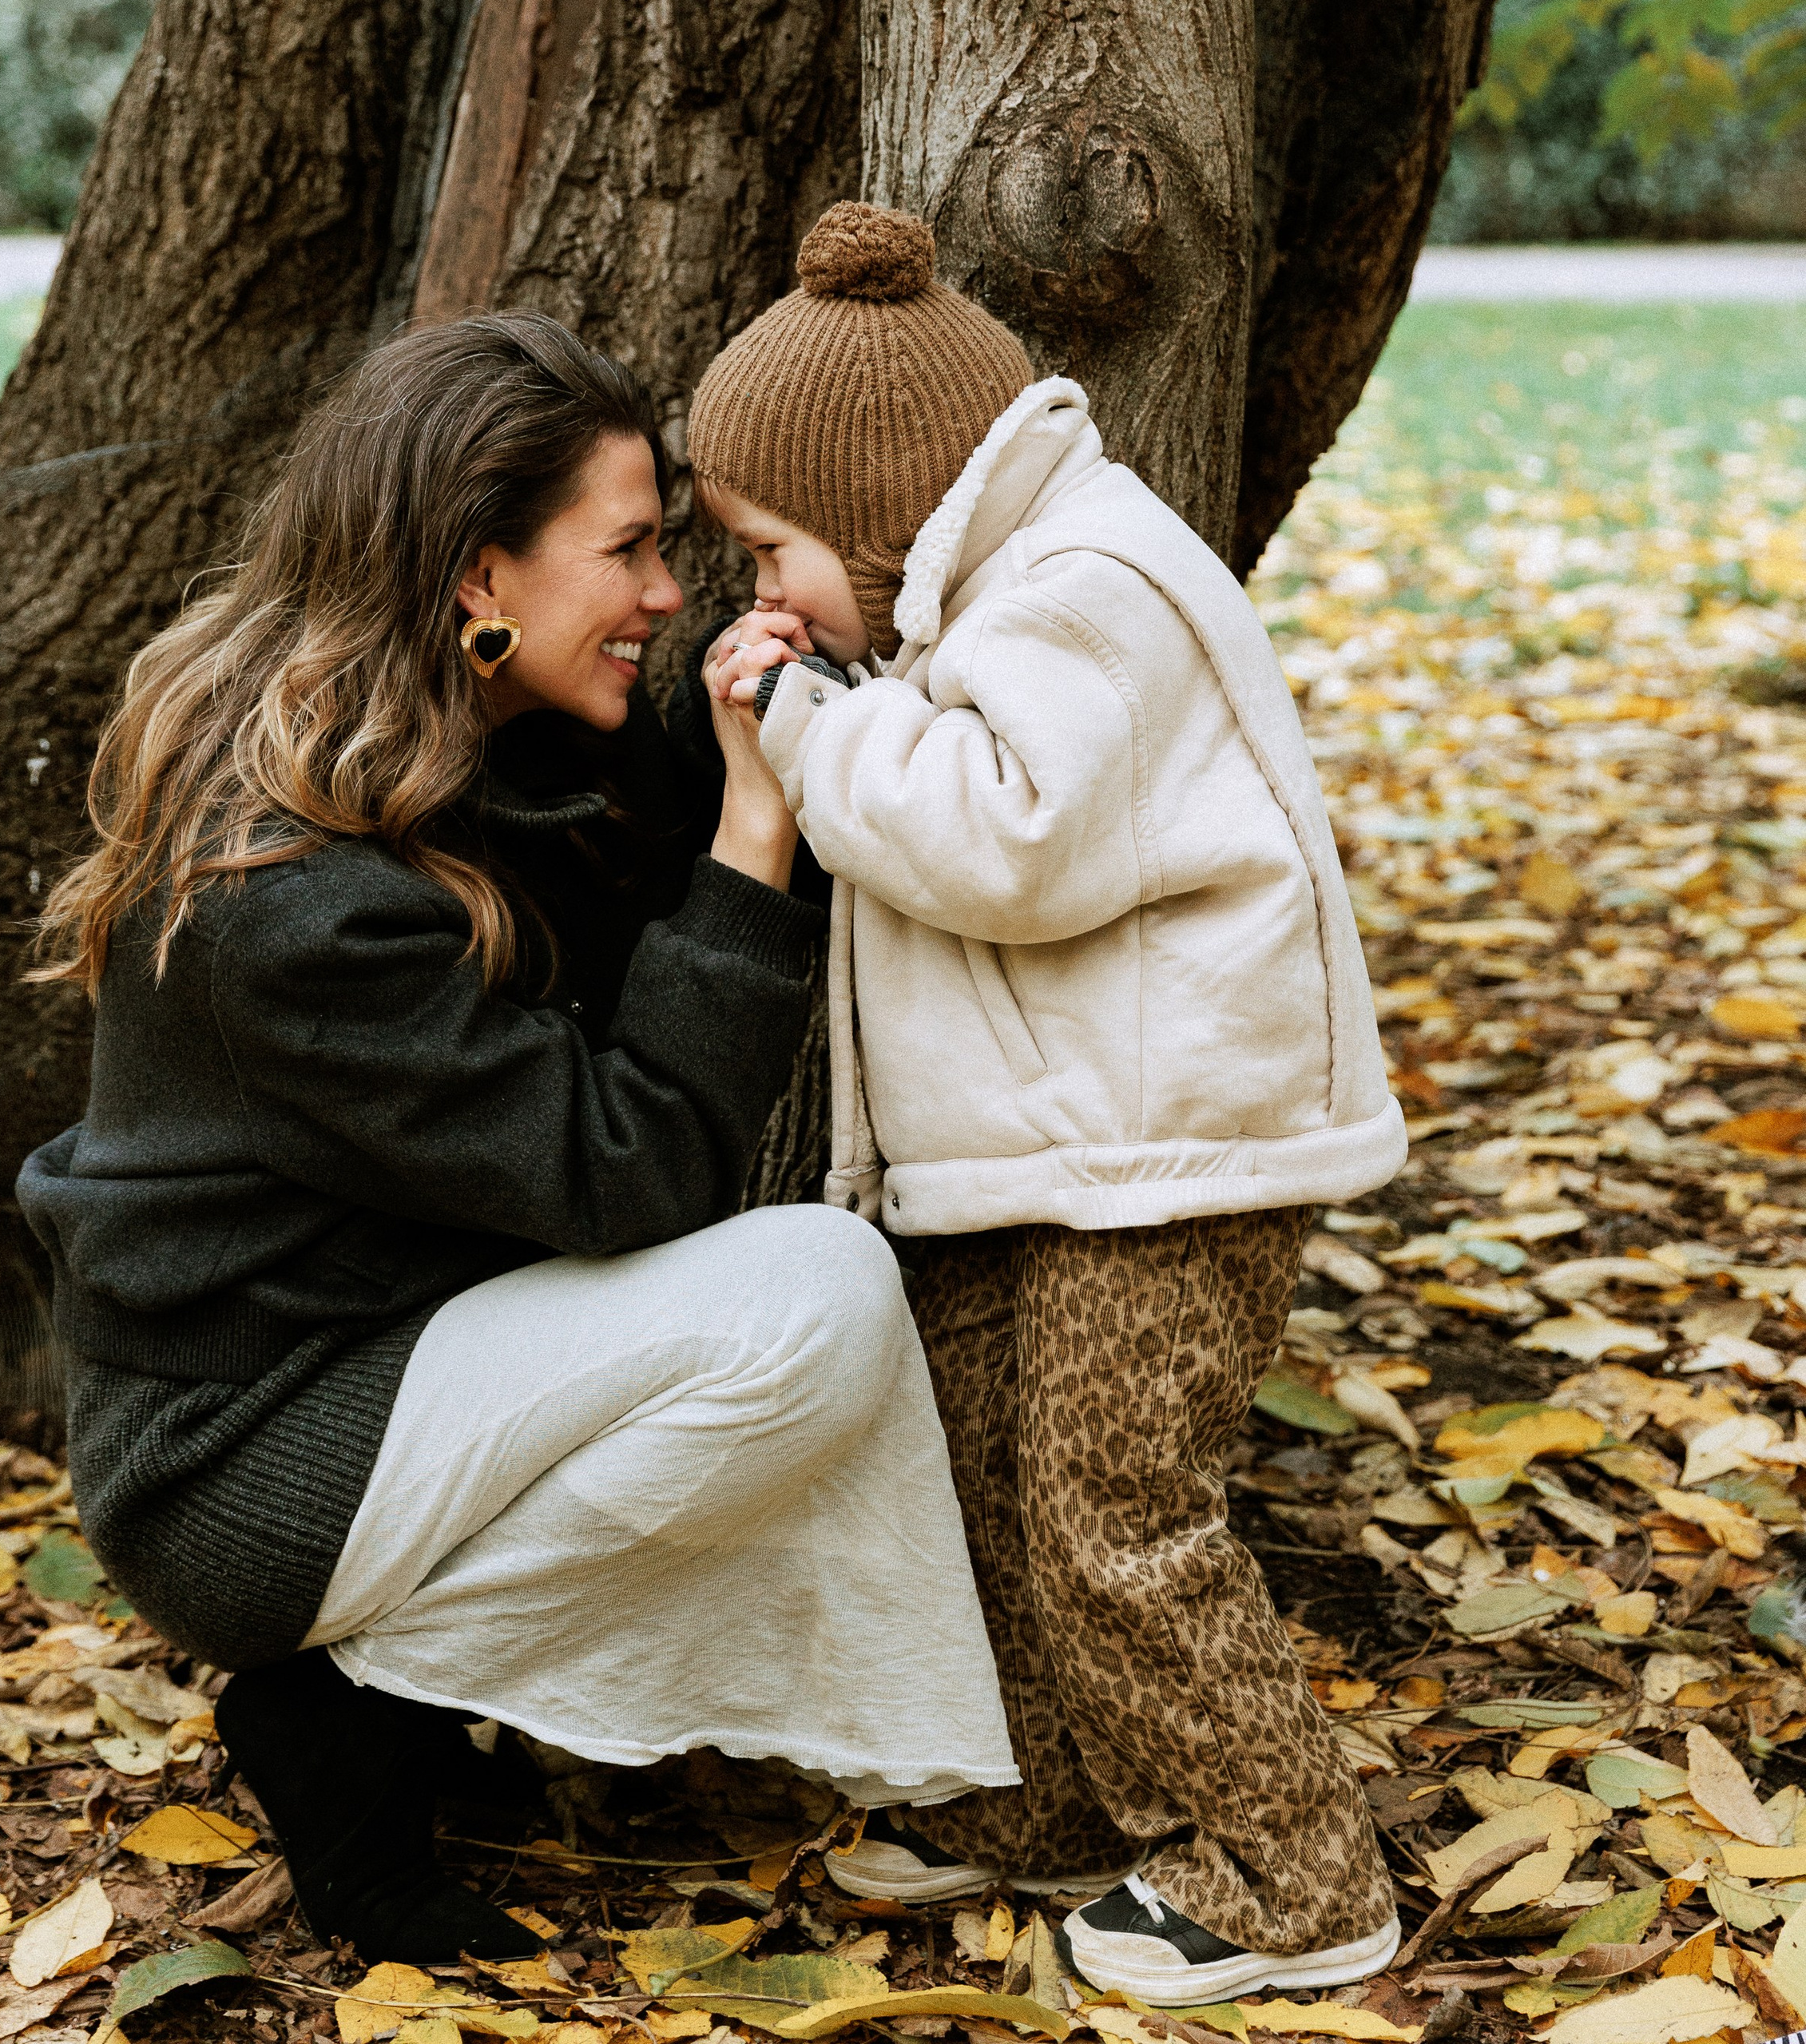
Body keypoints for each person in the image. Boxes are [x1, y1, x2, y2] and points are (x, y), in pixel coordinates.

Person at [16, 312, 1018, 1964]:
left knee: (799, 1309)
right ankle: (350, 1704)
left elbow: (637, 843)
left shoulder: (471, 739)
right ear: (478, 578)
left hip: (394, 1352)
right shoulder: (295, 902)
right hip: (239, 1454)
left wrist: (787, 699)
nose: (663, 591)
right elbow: (632, 1169)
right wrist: (758, 829)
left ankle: (411, 1690)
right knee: (808, 1297)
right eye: (624, 550)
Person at [685, 201, 1408, 2006]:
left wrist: (805, 722)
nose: (760, 595)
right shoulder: (973, 590)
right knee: (987, 1485)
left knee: (1112, 1507)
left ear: (873, 503)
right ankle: (1057, 1800)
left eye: (772, 549)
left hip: (1174, 1155)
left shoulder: (1092, 587)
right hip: (1055, 1149)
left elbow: (1011, 836)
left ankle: (1290, 1869)